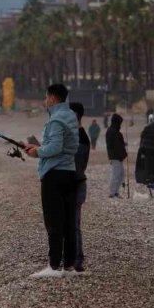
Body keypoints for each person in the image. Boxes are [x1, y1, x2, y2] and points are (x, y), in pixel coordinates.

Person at [25, 83, 80, 277]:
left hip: (54, 175)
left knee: (54, 221)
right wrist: (36, 147)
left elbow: (55, 147)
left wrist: (36, 152)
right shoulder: (71, 116)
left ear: (53, 98)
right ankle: (69, 266)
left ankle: (54, 266)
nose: (44, 100)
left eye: (46, 97)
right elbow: (64, 145)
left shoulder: (56, 120)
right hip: (69, 173)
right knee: (68, 222)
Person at [69, 101, 89, 273]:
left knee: (73, 224)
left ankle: (76, 259)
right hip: (78, 184)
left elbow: (74, 165)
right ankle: (73, 257)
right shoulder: (79, 135)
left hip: (75, 185)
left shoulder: (79, 138)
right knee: (72, 223)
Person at [105, 113, 127, 198]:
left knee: (121, 174)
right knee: (116, 174)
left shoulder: (114, 131)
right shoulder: (112, 131)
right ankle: (112, 193)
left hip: (118, 156)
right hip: (115, 156)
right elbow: (115, 145)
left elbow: (118, 144)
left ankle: (116, 192)